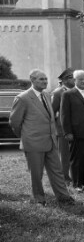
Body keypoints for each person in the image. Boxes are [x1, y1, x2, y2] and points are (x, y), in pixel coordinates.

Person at [9, 69, 75, 206]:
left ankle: (63, 197)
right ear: (32, 80)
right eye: (41, 79)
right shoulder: (23, 98)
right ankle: (39, 199)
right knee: (36, 174)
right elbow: (14, 122)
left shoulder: (46, 95)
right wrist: (25, 136)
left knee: (57, 170)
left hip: (50, 141)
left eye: (45, 79)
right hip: (33, 143)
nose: (45, 81)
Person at [50, 68, 74, 183]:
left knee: (74, 153)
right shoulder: (58, 92)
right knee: (64, 154)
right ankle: (64, 177)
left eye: (73, 77)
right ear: (63, 80)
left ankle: (74, 175)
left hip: (76, 128)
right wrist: (57, 128)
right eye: (69, 77)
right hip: (62, 129)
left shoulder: (76, 90)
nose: (73, 79)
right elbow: (52, 112)